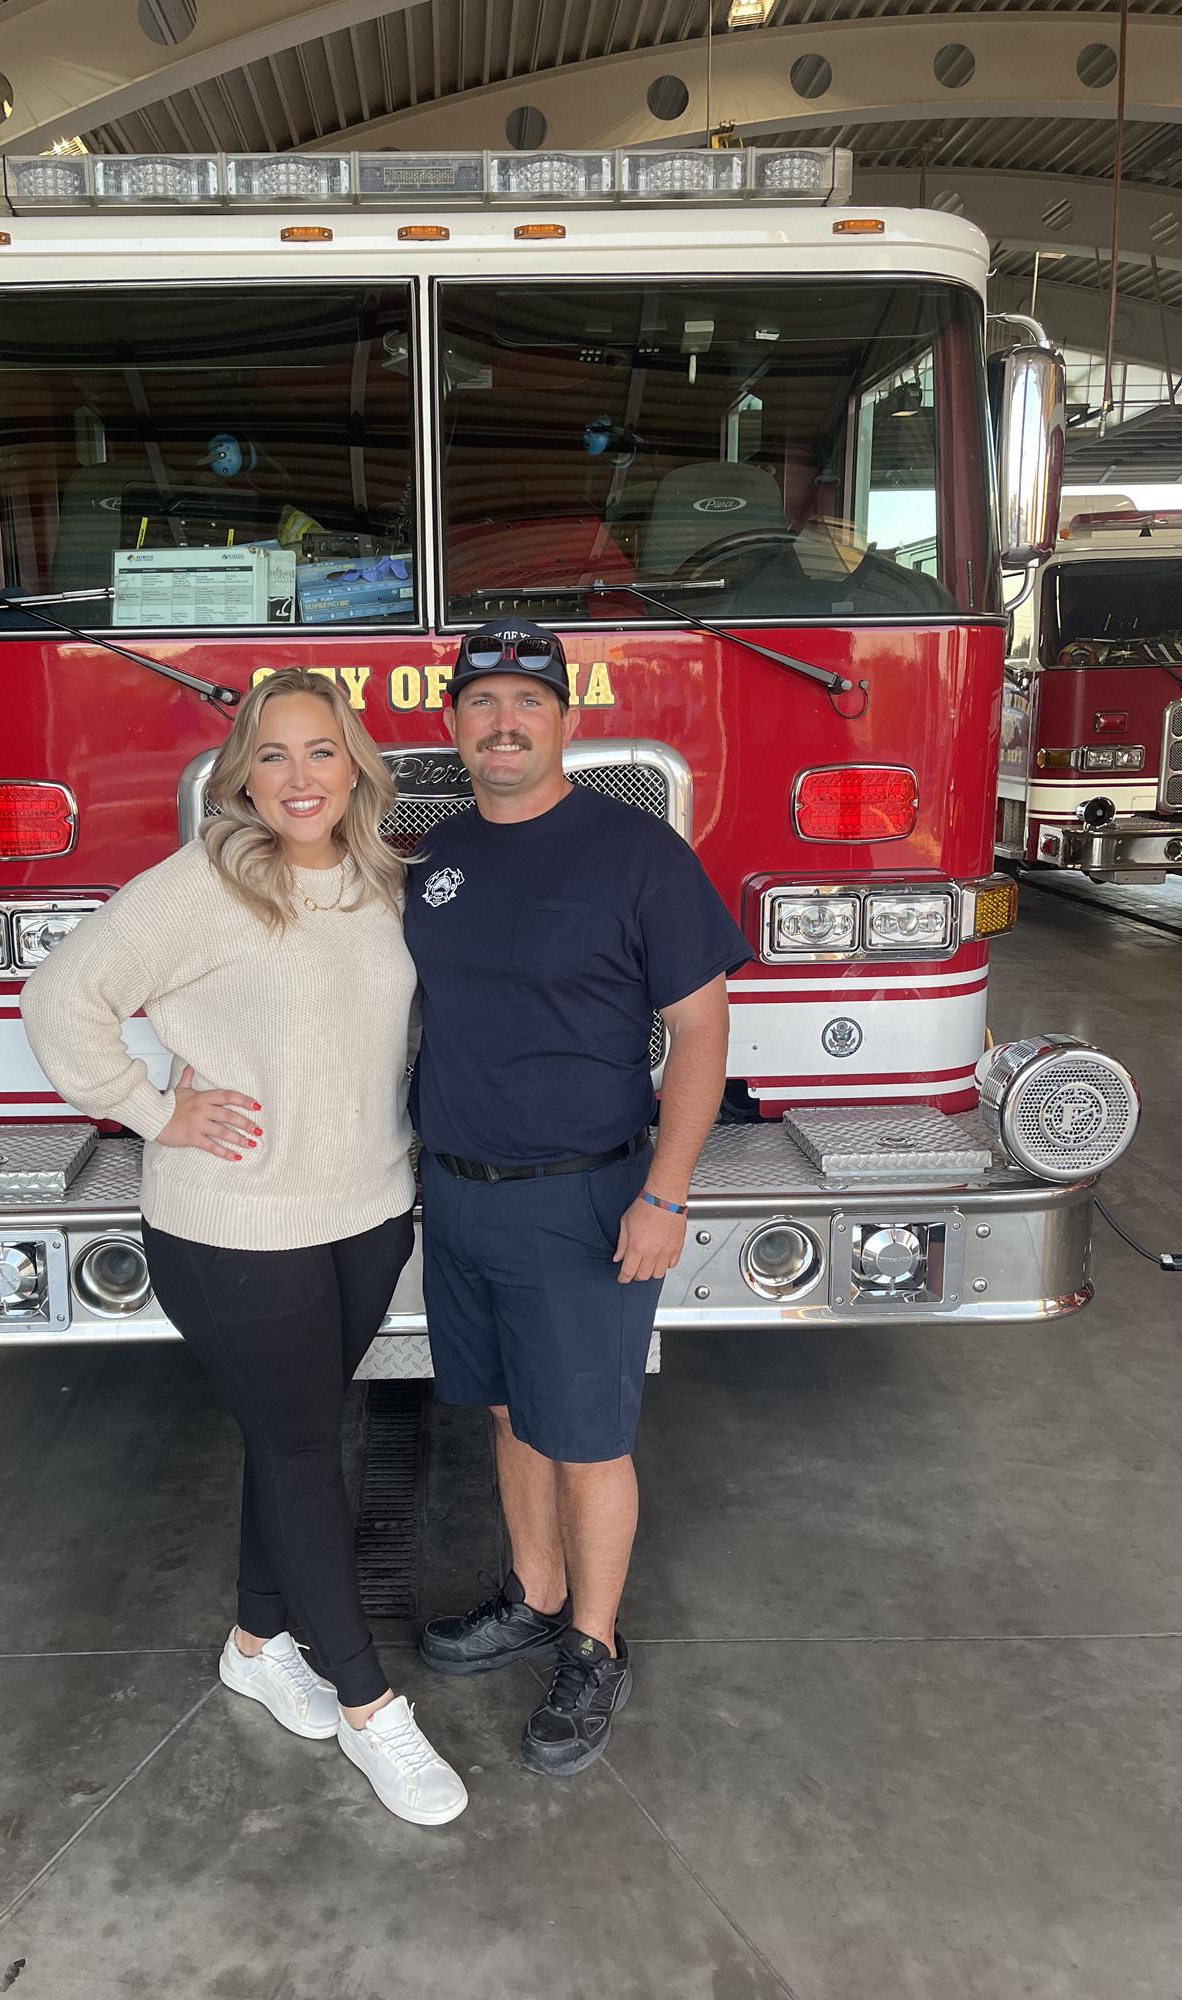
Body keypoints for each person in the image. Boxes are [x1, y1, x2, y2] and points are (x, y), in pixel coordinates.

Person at [21, 667, 466, 1828]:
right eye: (273, 754)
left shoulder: (381, 883)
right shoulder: (203, 884)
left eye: (322, 752)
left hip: (367, 1212)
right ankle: (372, 1710)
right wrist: (153, 1105)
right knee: (308, 1449)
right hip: (234, 1227)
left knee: (296, 1440)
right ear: (241, 773)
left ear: (356, 766)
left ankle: (256, 1641)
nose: (299, 777)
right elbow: (61, 995)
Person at [404, 619, 749, 1777]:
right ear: (454, 725)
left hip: (585, 1200)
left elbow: (701, 1028)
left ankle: (594, 1644)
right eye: (484, 703)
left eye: (528, 704)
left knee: (588, 1435)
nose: (504, 723)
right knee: (507, 1413)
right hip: (455, 1194)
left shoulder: (634, 852)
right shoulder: (438, 857)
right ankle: (534, 1594)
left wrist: (666, 1193)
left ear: (566, 720)